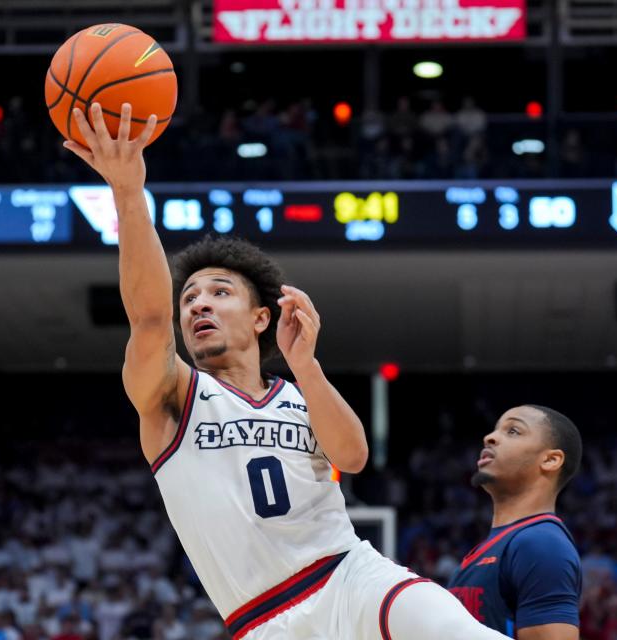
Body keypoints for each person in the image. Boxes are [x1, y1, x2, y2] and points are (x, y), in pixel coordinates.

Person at [62, 102, 511, 640]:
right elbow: (149, 315)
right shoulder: (171, 395)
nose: (198, 305)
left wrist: (308, 366)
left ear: (260, 319)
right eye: (191, 298)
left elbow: (353, 456)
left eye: (219, 293)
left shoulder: (299, 393)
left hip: (352, 576)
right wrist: (129, 193)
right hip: (265, 619)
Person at [448, 405, 583, 639]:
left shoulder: (541, 544)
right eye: (495, 429)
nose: (489, 437)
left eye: (513, 431)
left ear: (551, 459)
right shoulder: (497, 545)